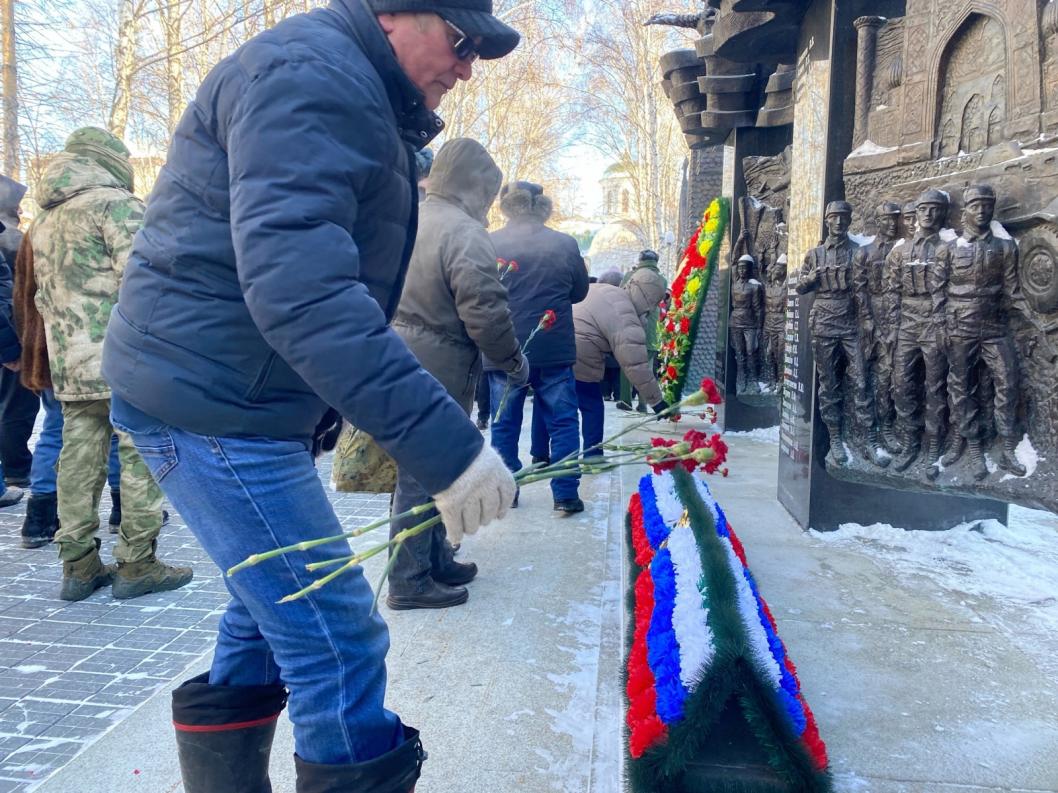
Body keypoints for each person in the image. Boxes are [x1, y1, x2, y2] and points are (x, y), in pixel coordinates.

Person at [101, 3, 521, 791]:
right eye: (462, 44)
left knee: (267, 615)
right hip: (210, 401)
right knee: (338, 637)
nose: (467, 68)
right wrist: (453, 454)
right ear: (399, 13)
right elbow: (307, 295)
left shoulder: (350, 83)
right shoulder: (315, 82)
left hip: (228, 391)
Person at [22, 127, 191, 603]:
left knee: (77, 457)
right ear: (113, 161)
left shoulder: (45, 218)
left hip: (69, 360)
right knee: (139, 454)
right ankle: (138, 563)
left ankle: (77, 567)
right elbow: (147, 281)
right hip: (126, 358)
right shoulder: (114, 205)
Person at [388, 138, 526, 610]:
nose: (490, 203)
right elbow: (485, 312)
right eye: (488, 192)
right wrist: (512, 361)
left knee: (429, 470)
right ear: (475, 187)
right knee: (420, 476)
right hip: (437, 364)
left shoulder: (413, 216)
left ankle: (433, 559)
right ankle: (408, 579)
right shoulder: (463, 232)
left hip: (400, 356)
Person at [486, 181, 589, 513]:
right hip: (553, 346)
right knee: (562, 421)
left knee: (504, 422)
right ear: (541, 206)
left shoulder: (491, 242)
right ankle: (565, 493)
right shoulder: (564, 243)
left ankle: (505, 491)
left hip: (504, 345)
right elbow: (579, 292)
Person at [797, 200, 878, 467]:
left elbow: (865, 291)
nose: (839, 222)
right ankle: (835, 438)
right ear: (827, 221)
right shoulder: (815, 254)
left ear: (849, 221)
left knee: (861, 380)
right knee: (829, 383)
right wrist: (811, 280)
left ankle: (866, 438)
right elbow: (800, 286)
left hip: (850, 321)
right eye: (834, 217)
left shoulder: (858, 252)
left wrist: (867, 321)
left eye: (844, 217)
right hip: (823, 321)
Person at [572, 267, 669, 456]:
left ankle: (540, 454)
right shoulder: (625, 314)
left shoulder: (604, 289)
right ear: (649, 299)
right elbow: (636, 365)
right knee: (592, 404)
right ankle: (593, 456)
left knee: (549, 404)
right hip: (582, 354)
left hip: (558, 346)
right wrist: (657, 402)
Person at [886, 189, 950, 472]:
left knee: (935, 387)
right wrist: (892, 328)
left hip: (934, 324)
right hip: (907, 326)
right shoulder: (899, 252)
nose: (928, 214)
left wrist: (944, 325)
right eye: (924, 209)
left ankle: (933, 446)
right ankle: (909, 440)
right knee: (902, 385)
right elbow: (892, 292)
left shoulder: (947, 250)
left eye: (935, 209)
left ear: (942, 214)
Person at [0, 176, 36, 501]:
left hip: (8, 331)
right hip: (13, 332)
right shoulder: (12, 239)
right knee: (18, 403)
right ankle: (18, 466)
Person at [617, 249, 666, 411]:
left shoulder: (628, 277)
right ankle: (643, 403)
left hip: (629, 325)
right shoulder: (661, 280)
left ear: (640, 261)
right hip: (650, 329)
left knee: (627, 365)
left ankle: (625, 401)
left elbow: (619, 297)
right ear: (656, 262)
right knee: (647, 367)